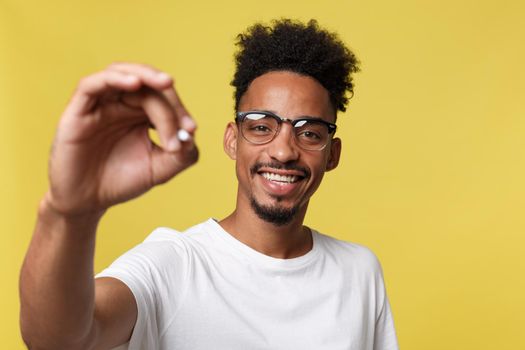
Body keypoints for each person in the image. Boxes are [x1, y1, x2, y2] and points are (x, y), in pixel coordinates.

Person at [19, 19, 398, 350]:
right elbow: (57, 340)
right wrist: (69, 212)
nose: (283, 151)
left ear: (332, 154)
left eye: (310, 133)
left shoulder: (359, 271)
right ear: (233, 140)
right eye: (261, 127)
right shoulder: (175, 263)